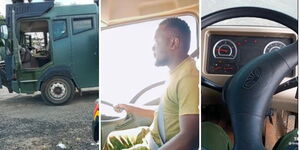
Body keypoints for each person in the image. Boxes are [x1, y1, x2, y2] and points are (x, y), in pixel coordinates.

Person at [103, 17, 199, 150]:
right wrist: (128, 106)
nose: (153, 47)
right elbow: (163, 112)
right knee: (113, 138)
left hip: (161, 144)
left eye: (157, 42)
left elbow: (190, 137)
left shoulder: (188, 78)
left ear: (173, 43)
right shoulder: (176, 72)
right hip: (152, 136)